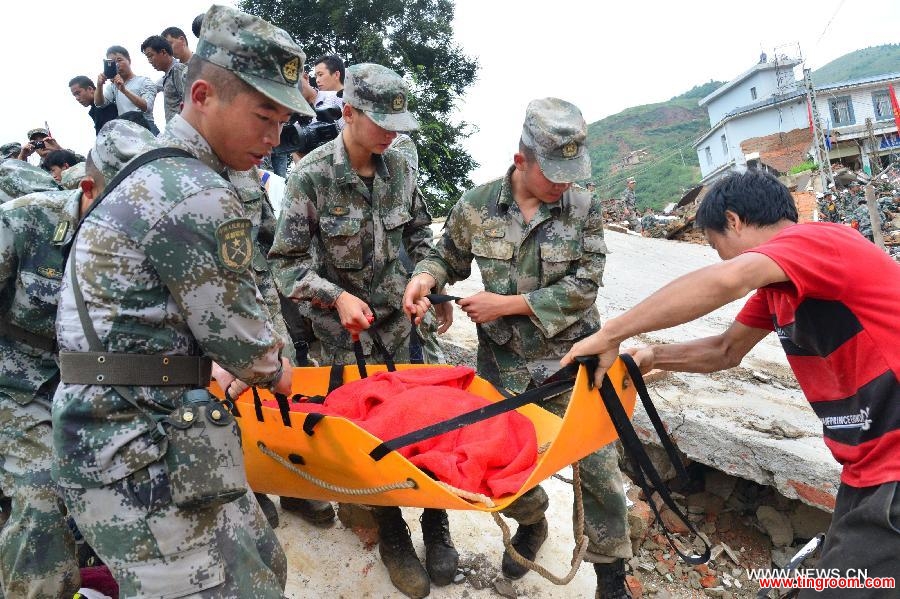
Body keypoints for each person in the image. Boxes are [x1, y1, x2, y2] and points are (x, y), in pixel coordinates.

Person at [51, 6, 309, 596]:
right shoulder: (194, 193)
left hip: (140, 422)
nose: (274, 139)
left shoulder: (154, 172)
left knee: (258, 566)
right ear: (201, 95)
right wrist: (286, 376)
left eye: (285, 120)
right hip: (135, 445)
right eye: (263, 116)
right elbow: (249, 347)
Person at [562, 169, 900, 599]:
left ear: (734, 220)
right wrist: (650, 356)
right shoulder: (781, 288)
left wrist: (612, 332)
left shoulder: (819, 241)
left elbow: (727, 280)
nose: (719, 256)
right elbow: (726, 350)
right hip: (867, 467)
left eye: (714, 242)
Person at [403, 98, 632, 598]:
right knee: (505, 467)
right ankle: (532, 523)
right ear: (522, 159)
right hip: (504, 370)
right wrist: (426, 278)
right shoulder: (476, 205)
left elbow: (584, 286)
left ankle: (611, 577)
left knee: (598, 470)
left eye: (572, 172)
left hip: (574, 364)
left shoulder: (584, 209)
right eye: (555, 173)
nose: (564, 183)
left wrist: (507, 304)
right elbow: (446, 255)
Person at [270, 62, 454, 599]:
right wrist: (336, 295)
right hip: (345, 334)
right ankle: (392, 532)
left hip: (404, 324)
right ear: (348, 112)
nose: (394, 132)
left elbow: (423, 237)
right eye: (383, 120)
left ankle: (436, 523)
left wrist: (427, 280)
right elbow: (286, 265)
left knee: (433, 420)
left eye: (400, 120)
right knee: (368, 437)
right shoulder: (312, 177)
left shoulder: (399, 169)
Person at [0, 122, 153, 598]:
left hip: (94, 390)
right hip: (14, 387)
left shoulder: (145, 243)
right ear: (89, 189)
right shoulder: (24, 223)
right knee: (42, 492)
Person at [94, 45, 159, 135]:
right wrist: (99, 85)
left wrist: (124, 90)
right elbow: (99, 104)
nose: (117, 65)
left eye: (119, 60)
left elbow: (147, 106)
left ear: (129, 61)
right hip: (126, 130)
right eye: (112, 62)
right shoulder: (113, 86)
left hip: (146, 127)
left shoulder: (144, 81)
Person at [141, 35, 188, 123]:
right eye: (148, 58)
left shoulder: (177, 69)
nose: (150, 61)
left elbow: (189, 101)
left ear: (163, 52)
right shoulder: (167, 76)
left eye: (150, 56)